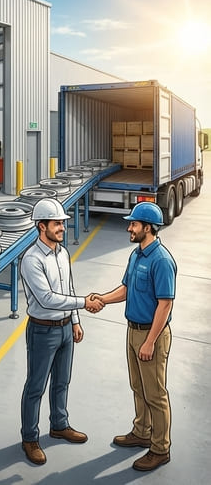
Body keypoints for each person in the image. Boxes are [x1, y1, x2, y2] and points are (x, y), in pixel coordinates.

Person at [18, 198, 104, 465]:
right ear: (41, 226)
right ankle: (30, 438)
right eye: (56, 224)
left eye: (62, 224)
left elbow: (68, 288)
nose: (62, 228)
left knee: (62, 382)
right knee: (36, 386)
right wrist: (84, 303)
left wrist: (75, 321)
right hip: (43, 331)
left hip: (66, 328)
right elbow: (47, 299)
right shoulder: (31, 260)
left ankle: (59, 425)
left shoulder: (63, 254)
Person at [93, 202, 175, 472]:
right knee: (138, 387)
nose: (129, 228)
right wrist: (102, 299)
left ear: (148, 228)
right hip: (133, 330)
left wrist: (150, 342)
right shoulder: (136, 255)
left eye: (134, 224)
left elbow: (165, 305)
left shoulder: (161, 260)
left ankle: (160, 449)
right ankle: (142, 432)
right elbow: (126, 289)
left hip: (152, 335)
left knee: (156, 394)